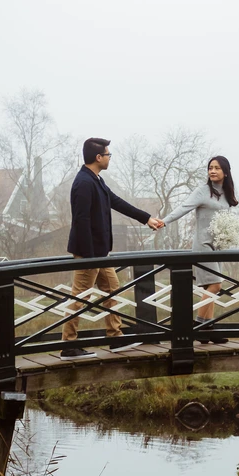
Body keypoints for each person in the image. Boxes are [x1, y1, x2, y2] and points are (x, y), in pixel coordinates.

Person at [61, 137, 162, 360]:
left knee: (112, 290)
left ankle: (115, 338)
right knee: (79, 297)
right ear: (98, 157)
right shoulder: (84, 183)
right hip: (90, 254)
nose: (109, 158)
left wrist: (146, 219)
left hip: (100, 253)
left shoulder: (96, 180)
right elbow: (81, 220)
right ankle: (68, 345)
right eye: (108, 155)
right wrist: (90, 258)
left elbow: (116, 202)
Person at [160, 156, 238, 343]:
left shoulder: (227, 195)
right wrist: (164, 221)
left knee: (212, 286)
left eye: (217, 168)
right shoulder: (203, 191)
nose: (212, 171)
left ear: (225, 172)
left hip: (218, 246)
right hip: (203, 245)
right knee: (215, 284)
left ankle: (207, 329)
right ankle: (200, 327)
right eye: (210, 168)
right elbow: (183, 207)